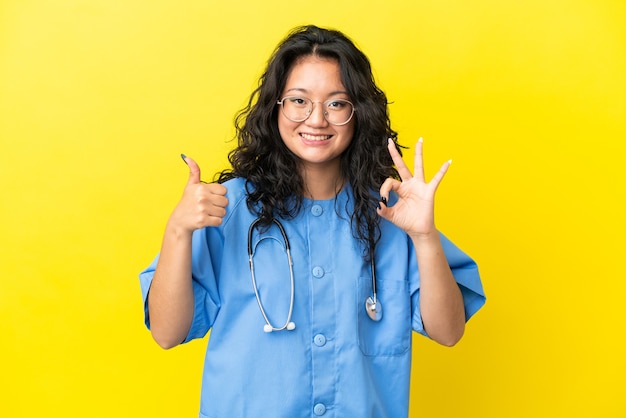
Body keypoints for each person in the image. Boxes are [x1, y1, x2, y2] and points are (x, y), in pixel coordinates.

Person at [139, 25, 485, 418]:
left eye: (337, 104)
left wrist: (424, 237)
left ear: (358, 113)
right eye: (299, 100)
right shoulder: (228, 207)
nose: (316, 119)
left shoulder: (395, 214)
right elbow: (167, 334)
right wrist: (177, 230)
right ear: (276, 108)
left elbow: (449, 331)